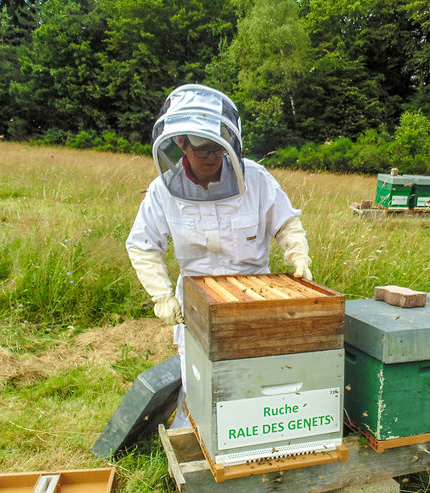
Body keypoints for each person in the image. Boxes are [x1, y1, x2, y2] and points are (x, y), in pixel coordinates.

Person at [125, 84, 312, 428]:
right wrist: (162, 295)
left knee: (258, 379)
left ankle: (254, 433)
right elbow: (142, 244)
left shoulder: (255, 178)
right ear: (181, 144)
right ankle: (199, 434)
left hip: (255, 296)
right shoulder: (162, 191)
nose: (211, 157)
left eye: (217, 148)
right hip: (196, 301)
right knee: (199, 379)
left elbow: (286, 222)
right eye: (202, 150)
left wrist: (298, 255)